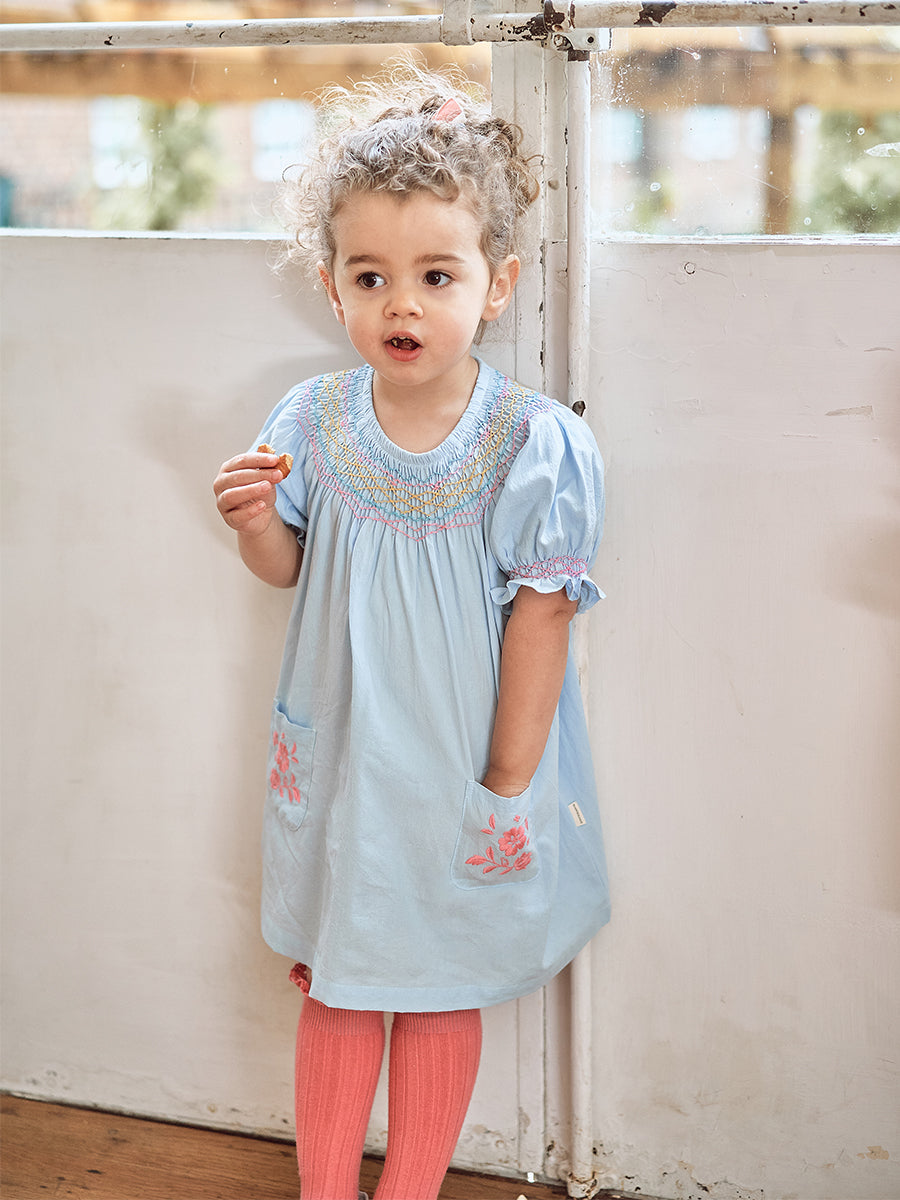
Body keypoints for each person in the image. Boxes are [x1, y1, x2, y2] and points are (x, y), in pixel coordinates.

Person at [213, 63, 610, 1200]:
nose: (401, 305)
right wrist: (254, 524)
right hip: (345, 754)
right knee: (341, 982)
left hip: (463, 760)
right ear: (332, 286)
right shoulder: (313, 420)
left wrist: (506, 786)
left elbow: (543, 616)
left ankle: (411, 1189)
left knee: (441, 982)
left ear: (497, 286)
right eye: (370, 277)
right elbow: (293, 570)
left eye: (437, 276)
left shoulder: (532, 442)